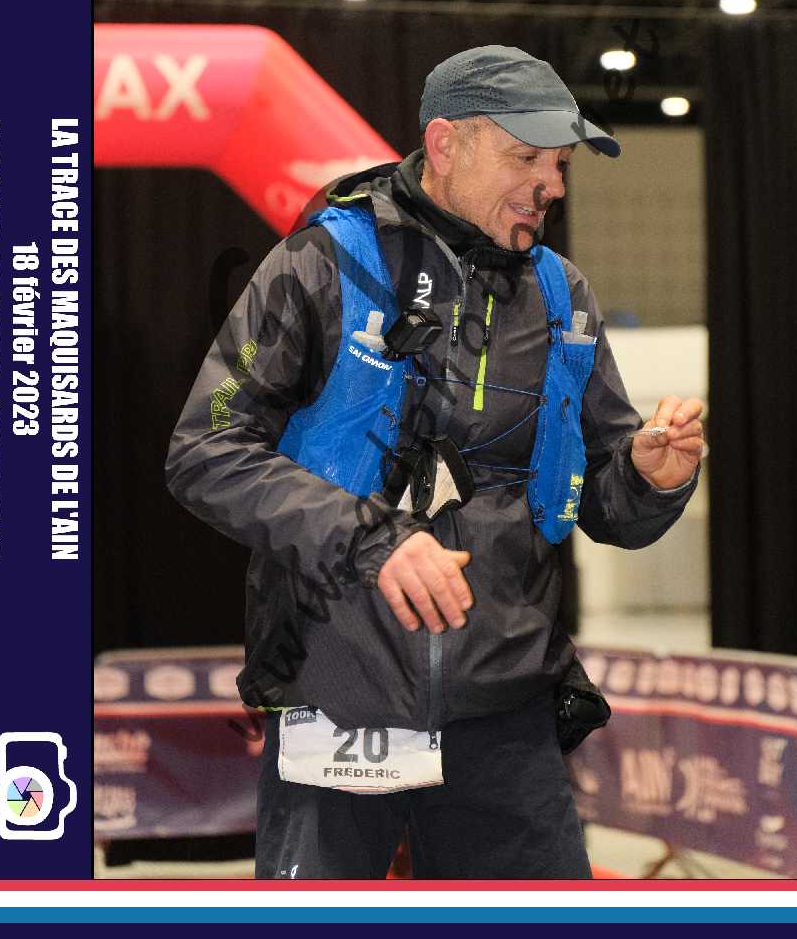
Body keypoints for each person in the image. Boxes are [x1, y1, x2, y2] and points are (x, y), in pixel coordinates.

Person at [166, 44, 704, 880]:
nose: (551, 186)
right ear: (446, 144)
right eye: (526, 158)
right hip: (336, 695)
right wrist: (371, 539)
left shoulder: (562, 296)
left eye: (559, 165)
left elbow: (602, 504)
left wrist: (650, 478)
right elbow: (204, 451)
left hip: (506, 711)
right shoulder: (321, 265)